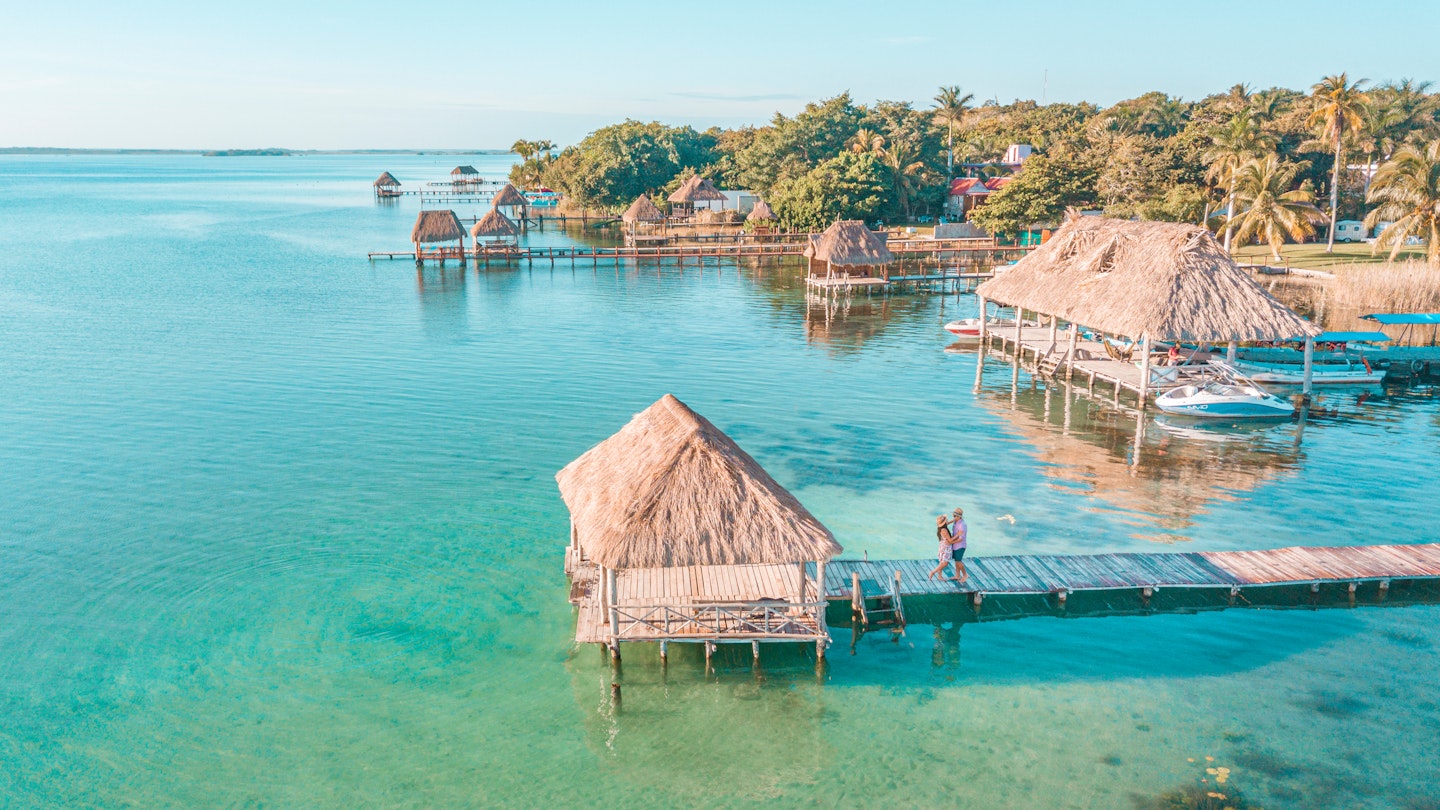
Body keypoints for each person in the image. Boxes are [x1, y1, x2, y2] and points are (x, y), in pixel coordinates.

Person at [927, 515, 954, 580]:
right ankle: (932, 572)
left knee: (942, 562)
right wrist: (958, 536)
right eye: (946, 520)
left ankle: (939, 576)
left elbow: (947, 523)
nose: (947, 520)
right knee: (945, 563)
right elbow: (950, 541)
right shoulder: (944, 530)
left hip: (942, 545)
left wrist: (954, 520)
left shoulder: (941, 527)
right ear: (944, 522)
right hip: (946, 547)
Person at [947, 508, 968, 582]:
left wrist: (951, 542)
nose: (954, 517)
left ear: (960, 517)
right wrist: (949, 522)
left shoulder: (962, 525)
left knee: (959, 561)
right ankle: (957, 575)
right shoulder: (956, 521)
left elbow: (961, 539)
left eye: (955, 516)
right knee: (956, 561)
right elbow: (948, 523)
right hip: (955, 545)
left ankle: (965, 575)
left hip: (960, 546)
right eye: (953, 516)